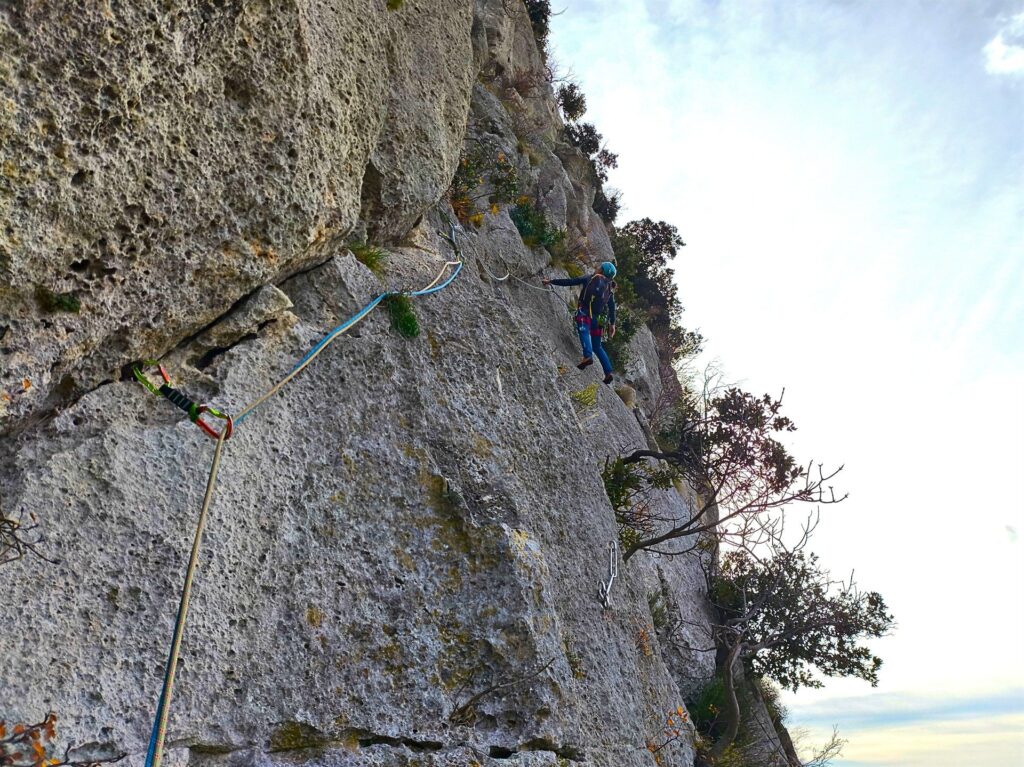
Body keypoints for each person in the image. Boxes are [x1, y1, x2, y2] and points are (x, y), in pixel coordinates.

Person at [543, 262, 617, 384]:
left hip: (584, 312)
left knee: (584, 331)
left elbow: (570, 282)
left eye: (600, 267)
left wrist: (551, 281)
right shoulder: (609, 288)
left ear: (602, 271)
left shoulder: (589, 278)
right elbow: (612, 307)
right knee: (598, 346)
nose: (597, 268)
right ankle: (608, 372)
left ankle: (587, 356)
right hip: (599, 320)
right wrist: (612, 324)